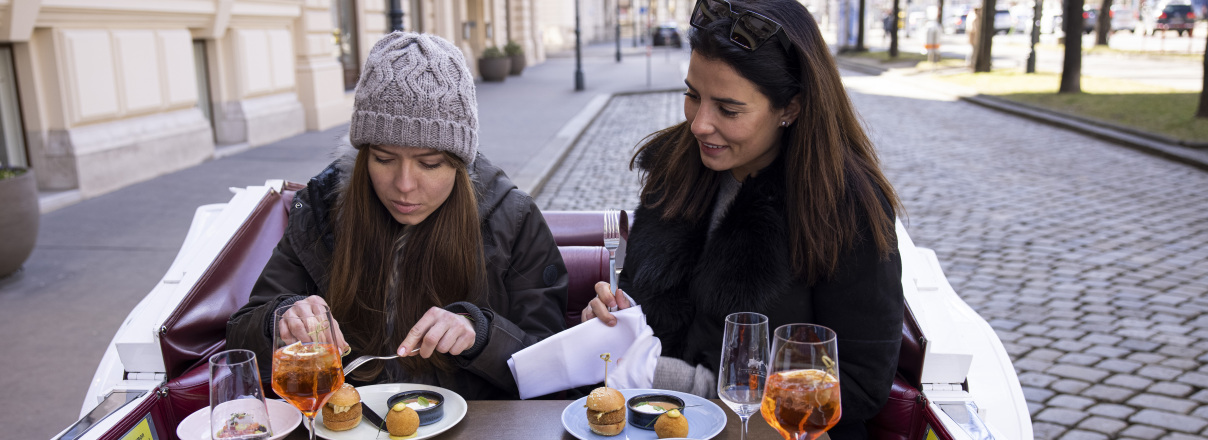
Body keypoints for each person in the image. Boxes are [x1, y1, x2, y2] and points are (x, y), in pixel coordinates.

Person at [581, 0, 905, 437]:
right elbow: (649, 309)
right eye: (692, 95)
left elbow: (861, 382)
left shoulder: (843, 206)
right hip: (652, 423)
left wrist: (698, 389)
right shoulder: (676, 166)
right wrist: (616, 321)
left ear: (790, 107)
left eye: (728, 110)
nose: (699, 125)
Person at [227, 32, 568, 401]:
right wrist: (279, 320)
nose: (404, 185)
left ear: (458, 163)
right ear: (363, 157)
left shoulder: (512, 219)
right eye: (383, 159)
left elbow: (553, 365)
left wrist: (481, 335)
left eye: (430, 163)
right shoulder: (322, 210)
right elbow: (241, 335)